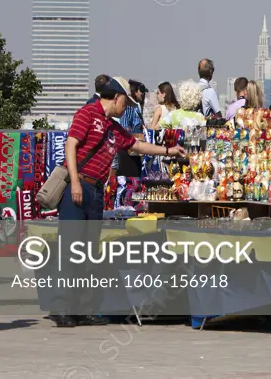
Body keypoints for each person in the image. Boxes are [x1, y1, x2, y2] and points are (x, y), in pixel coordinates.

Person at [52, 76, 184, 328]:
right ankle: (61, 306)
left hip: (97, 192)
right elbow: (71, 145)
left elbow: (137, 145)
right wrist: (75, 182)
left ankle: (83, 308)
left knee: (89, 253)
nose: (128, 107)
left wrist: (169, 151)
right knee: (70, 250)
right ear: (116, 98)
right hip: (79, 187)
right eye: (126, 101)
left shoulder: (113, 126)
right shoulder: (87, 114)